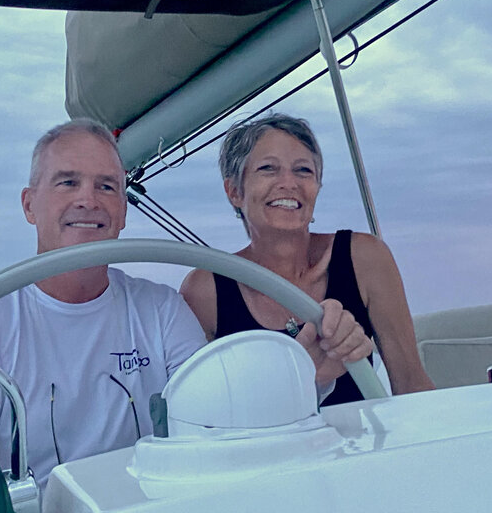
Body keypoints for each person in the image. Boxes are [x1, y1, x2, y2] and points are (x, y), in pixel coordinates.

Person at [0, 119, 208, 487]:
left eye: (106, 186)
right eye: (68, 182)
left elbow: (207, 426)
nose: (88, 200)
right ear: (29, 205)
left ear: (122, 211)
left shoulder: (162, 311)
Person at [180, 113, 435, 404]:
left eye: (303, 171)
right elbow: (202, 411)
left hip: (364, 447)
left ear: (317, 188)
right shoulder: (204, 290)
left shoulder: (365, 258)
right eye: (268, 169)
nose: (289, 183)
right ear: (235, 191)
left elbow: (411, 383)